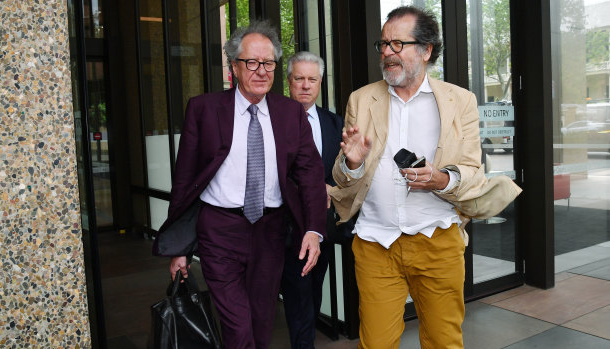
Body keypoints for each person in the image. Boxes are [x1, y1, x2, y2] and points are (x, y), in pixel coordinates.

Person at [329, 6, 520, 349]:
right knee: (375, 344)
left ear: (426, 49)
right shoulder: (361, 99)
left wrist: (440, 180)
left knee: (444, 342)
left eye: (397, 44)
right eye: (383, 44)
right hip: (376, 244)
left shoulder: (459, 101)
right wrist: (352, 163)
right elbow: (345, 179)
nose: (387, 52)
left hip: (438, 240)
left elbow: (473, 171)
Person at [152, 21, 327, 349]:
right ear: (233, 65)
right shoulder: (203, 109)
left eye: (269, 63)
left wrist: (314, 230)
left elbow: (311, 176)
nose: (261, 71)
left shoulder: (290, 114)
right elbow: (185, 179)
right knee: (238, 328)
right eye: (252, 62)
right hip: (219, 231)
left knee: (261, 323)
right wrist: (179, 249)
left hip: (270, 231)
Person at [281, 51, 343, 349]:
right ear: (289, 82)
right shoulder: (272, 121)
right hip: (285, 230)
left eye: (312, 79)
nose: (306, 85)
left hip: (322, 227)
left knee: (313, 293)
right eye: (299, 79)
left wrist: (330, 187)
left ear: (320, 83)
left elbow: (343, 171)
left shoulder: (334, 122)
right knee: (296, 297)